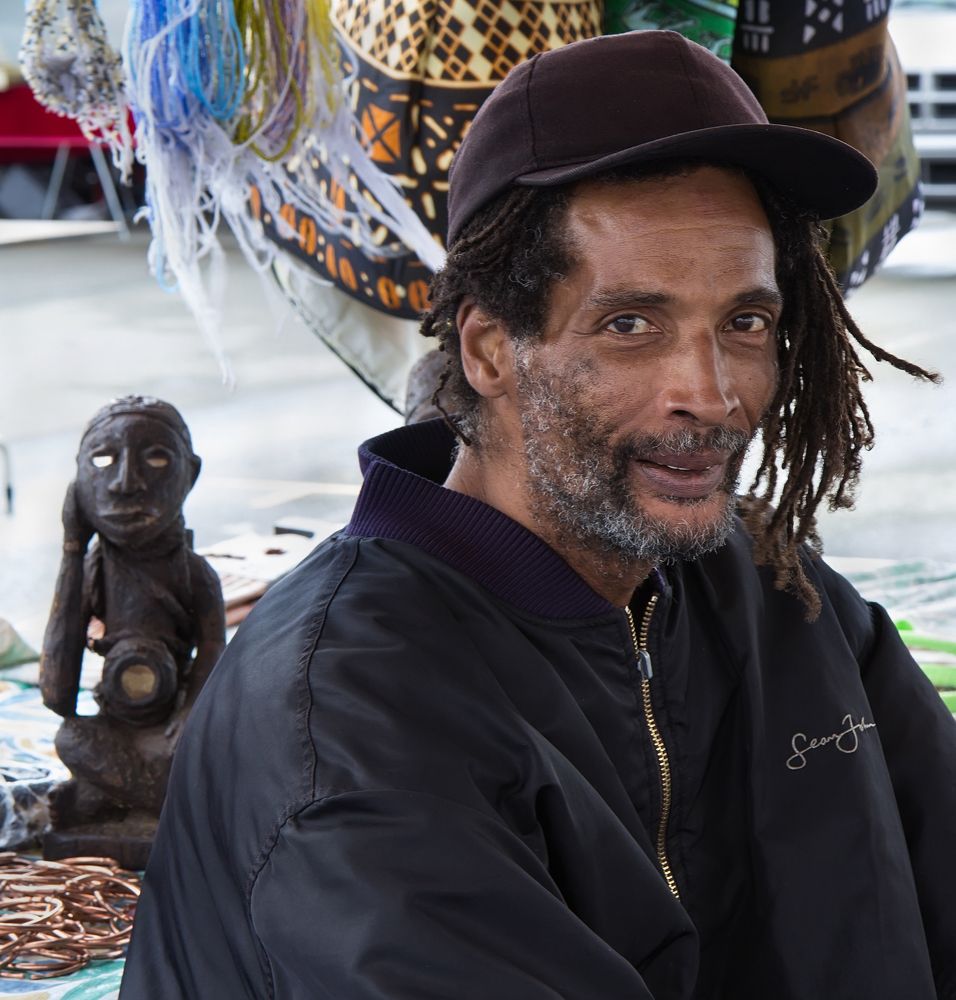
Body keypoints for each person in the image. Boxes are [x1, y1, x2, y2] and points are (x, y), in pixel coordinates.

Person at [121, 31, 956, 1000]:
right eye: (628, 325)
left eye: (742, 321)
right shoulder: (347, 711)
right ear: (486, 349)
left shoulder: (780, 598)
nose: (711, 392)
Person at [41, 396, 224, 862]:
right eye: (103, 461)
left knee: (211, 752)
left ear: (192, 473)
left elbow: (213, 656)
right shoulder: (94, 569)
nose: (126, 483)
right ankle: (166, 806)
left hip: (169, 736)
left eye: (157, 458)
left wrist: (190, 718)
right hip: (118, 729)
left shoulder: (194, 574)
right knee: (71, 738)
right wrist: (70, 551)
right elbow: (57, 697)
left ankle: (123, 796)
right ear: (80, 481)